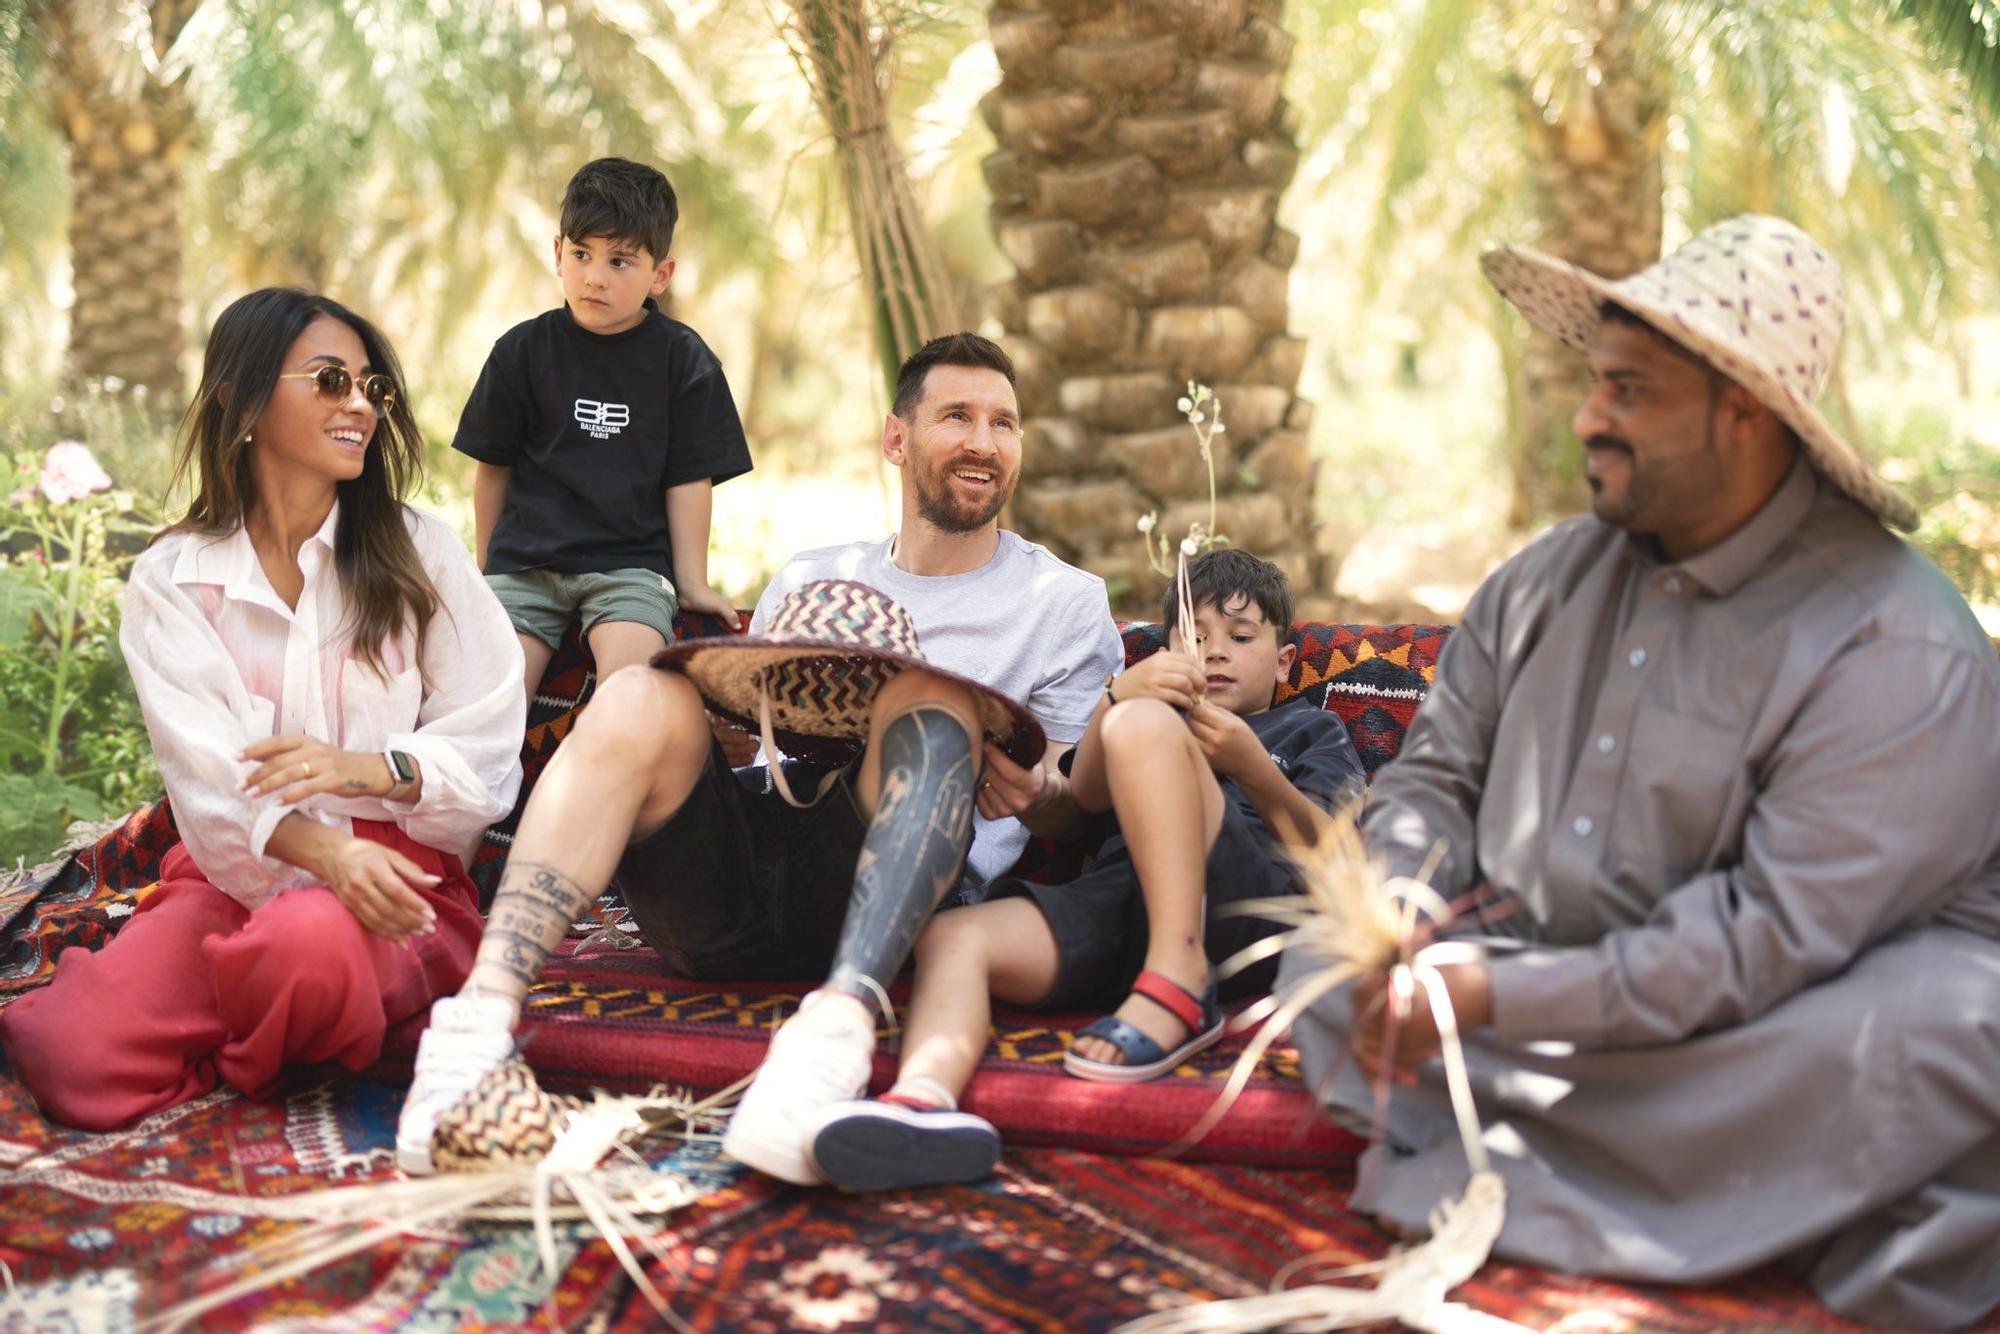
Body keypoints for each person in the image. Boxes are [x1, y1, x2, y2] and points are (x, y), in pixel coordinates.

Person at [1280, 216, 2000, 1328]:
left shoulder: (1892, 642)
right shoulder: (1539, 582)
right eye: (1592, 384)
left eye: (1627, 390)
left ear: (1743, 412)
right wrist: (1402, 914)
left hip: (1763, 1028)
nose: (1585, 418)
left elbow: (1762, 938)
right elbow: (1431, 780)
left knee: (1951, 1026)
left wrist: (1484, 996)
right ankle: (1693, 1187)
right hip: (1529, 990)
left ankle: (1532, 1147)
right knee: (1315, 969)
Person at [395, 332, 1126, 1183]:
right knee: (640, 691)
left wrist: (1034, 792)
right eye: (956, 416)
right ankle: (475, 1031)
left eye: (1004, 423)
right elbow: (744, 744)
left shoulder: (1065, 603)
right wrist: (739, 732)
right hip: (725, 890)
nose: (983, 441)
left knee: (936, 700)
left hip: (897, 905)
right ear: (897, 440)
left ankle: (828, 1050)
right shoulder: (814, 576)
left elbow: (1078, 805)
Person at [0, 288, 526, 1131]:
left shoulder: (419, 550)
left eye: (372, 387)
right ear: (244, 401)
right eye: (328, 380)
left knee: (308, 947)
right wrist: (320, 852)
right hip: (233, 877)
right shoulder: (174, 579)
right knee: (69, 1056)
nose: (360, 404)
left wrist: (371, 770)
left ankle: (254, 1041)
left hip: (397, 882)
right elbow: (207, 782)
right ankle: (290, 1034)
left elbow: (493, 738)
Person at [806, 550, 1365, 1191]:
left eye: (1240, 639)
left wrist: (1253, 766)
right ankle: (922, 1101)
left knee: (1146, 724)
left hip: (1244, 911)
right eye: (1195, 638)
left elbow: (1340, 860)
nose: (1214, 654)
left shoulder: (1306, 729)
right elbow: (1086, 801)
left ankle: (1180, 982)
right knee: (953, 938)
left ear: (1285, 661)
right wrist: (1112, 702)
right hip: (1121, 905)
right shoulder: (1140, 714)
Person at [455, 156, 752, 700]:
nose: (594, 276)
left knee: (629, 692)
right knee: (490, 699)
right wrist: (485, 569)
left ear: (660, 275)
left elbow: (689, 481)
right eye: (581, 254)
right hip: (526, 564)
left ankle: (602, 775)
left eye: (620, 261)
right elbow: (493, 466)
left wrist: (691, 582)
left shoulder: (683, 361)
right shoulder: (521, 351)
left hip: (630, 567)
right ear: (557, 253)